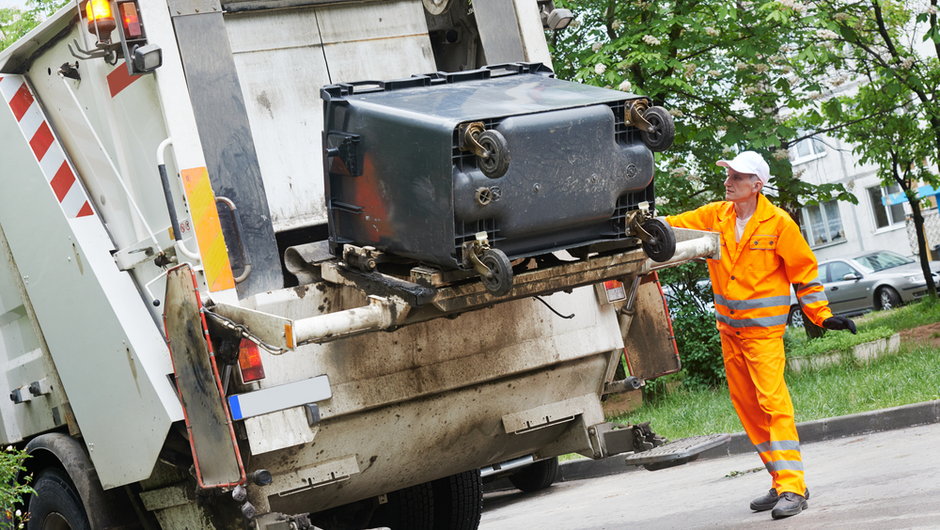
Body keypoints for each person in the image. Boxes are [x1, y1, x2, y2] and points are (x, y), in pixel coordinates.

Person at [664, 151, 857, 520]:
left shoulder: (779, 223)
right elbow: (669, 226)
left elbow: (804, 273)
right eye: (728, 175)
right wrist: (635, 224)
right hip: (730, 334)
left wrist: (822, 315)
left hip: (763, 337)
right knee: (749, 410)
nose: (728, 181)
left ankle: (793, 487)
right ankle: (781, 478)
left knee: (773, 405)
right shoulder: (715, 217)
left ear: (757, 185)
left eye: (737, 176)